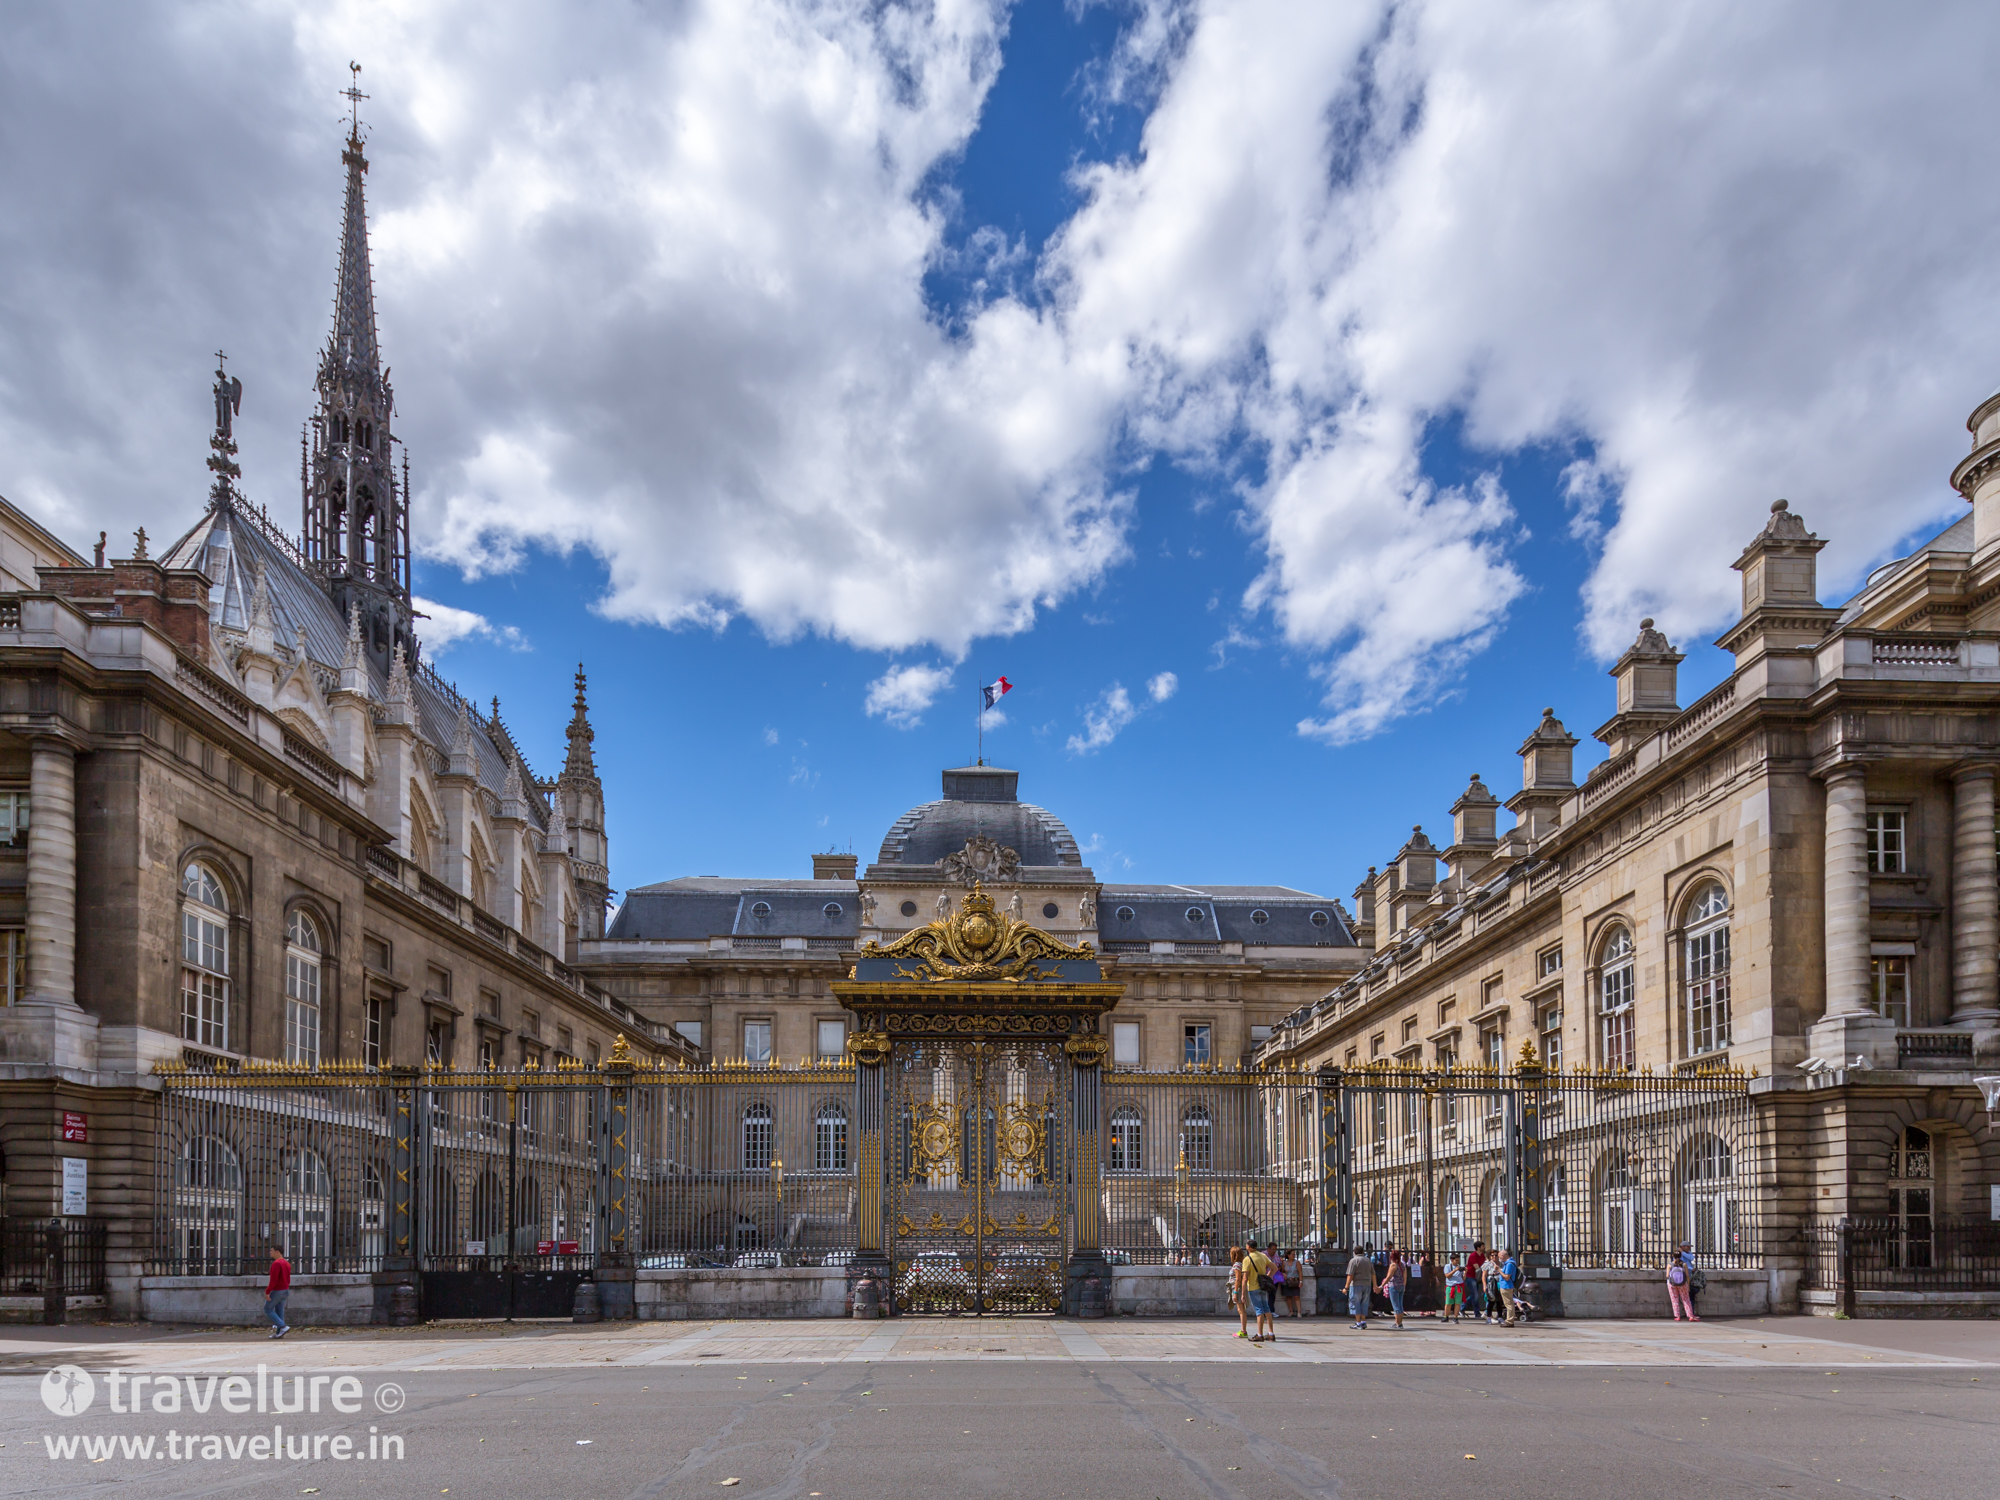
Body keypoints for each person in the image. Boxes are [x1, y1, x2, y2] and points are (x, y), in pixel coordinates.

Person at [1242, 1238, 1278, 1342]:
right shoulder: (1263, 1256)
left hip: (1253, 1287)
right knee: (1267, 1309)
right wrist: (1268, 1277)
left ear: (1248, 1247)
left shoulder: (1247, 1259)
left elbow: (1245, 1278)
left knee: (1259, 1311)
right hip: (1263, 1286)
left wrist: (1243, 1294)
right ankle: (1271, 1333)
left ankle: (1259, 1334)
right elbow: (1274, 1268)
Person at [1343, 1244, 1376, 1330]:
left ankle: (1358, 1323)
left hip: (1356, 1285)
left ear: (1354, 1252)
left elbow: (1350, 1275)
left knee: (1355, 1303)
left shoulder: (1353, 1261)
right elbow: (1373, 1274)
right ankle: (1363, 1321)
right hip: (1367, 1284)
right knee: (1364, 1303)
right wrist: (1375, 1285)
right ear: (1362, 1252)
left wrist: (1346, 1287)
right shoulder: (1368, 1261)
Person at [265, 1242, 292, 1340]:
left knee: (267, 1309)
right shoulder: (286, 1263)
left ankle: (283, 1326)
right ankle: (279, 1333)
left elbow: (273, 1280)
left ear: (277, 1251)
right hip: (285, 1289)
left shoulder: (276, 1263)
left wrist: (268, 1291)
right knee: (279, 1311)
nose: (270, 1252)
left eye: (271, 1250)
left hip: (277, 1290)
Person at [1667, 1242, 1699, 1322]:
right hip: (1683, 1283)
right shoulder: (1684, 1264)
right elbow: (1687, 1276)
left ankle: (1677, 1316)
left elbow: (1667, 1275)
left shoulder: (1670, 1264)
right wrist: (1687, 1284)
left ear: (1673, 1256)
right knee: (1686, 1300)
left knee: (1674, 1300)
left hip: (1672, 1284)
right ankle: (1690, 1316)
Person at [1383, 1248, 1410, 1329]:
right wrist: (1404, 1285)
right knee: (1400, 1305)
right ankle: (1400, 1323)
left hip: (1394, 1286)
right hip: (1401, 1286)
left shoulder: (1393, 1265)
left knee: (1396, 1306)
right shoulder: (1402, 1265)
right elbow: (1405, 1277)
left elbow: (1389, 1277)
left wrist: (1382, 1285)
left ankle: (1398, 1324)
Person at [1495, 1248, 1522, 1327]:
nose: (1499, 1259)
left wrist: (1499, 1270)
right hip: (1507, 1285)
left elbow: (1507, 1277)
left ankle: (1509, 1321)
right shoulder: (1509, 1263)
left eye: (1499, 1257)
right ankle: (1509, 1320)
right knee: (1509, 1304)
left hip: (1506, 1285)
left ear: (1503, 1256)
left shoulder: (1509, 1264)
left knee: (1509, 1304)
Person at [1463, 1242, 1487, 1320]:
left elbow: (1485, 1264)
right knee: (1475, 1295)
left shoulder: (1482, 1255)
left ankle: (1461, 1307)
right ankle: (1477, 1312)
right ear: (1478, 1247)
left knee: (1474, 1295)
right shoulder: (1473, 1255)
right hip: (1470, 1276)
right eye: (1483, 1246)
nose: (1484, 1248)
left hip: (1477, 1277)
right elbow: (1477, 1267)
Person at [1443, 1256, 1466, 1322]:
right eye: (1456, 1260)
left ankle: (1455, 1317)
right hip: (1450, 1286)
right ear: (1452, 1260)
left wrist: (1465, 1272)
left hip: (1459, 1286)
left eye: (1458, 1260)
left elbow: (1463, 1279)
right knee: (1448, 1303)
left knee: (1457, 1303)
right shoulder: (1447, 1266)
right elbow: (1447, 1276)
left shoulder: (1459, 1268)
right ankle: (1446, 1316)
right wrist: (1455, 1270)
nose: (1457, 1262)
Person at [1282, 1250, 1304, 1318]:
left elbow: (1300, 1272)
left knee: (1296, 1296)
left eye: (1294, 1254)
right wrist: (1283, 1274)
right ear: (1288, 1255)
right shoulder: (1284, 1263)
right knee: (1288, 1297)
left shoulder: (1297, 1263)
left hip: (1294, 1281)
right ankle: (1291, 1311)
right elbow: (1282, 1270)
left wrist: (1300, 1281)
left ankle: (1299, 1312)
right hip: (1287, 1281)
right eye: (1292, 1254)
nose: (1293, 1256)